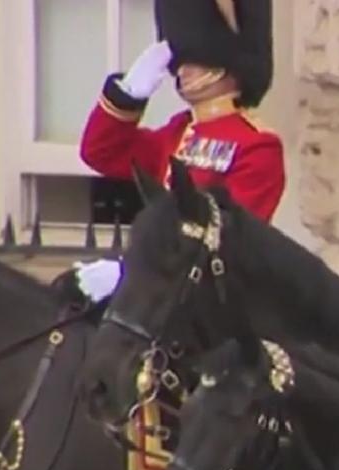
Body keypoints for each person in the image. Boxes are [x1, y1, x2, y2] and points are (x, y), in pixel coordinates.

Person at [75, 0, 282, 301]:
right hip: (161, 297)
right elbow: (101, 152)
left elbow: (228, 240)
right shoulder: (179, 131)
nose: (179, 70)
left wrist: (137, 274)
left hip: (212, 302)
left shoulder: (257, 145)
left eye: (191, 60)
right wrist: (128, 94)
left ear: (223, 64)